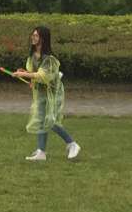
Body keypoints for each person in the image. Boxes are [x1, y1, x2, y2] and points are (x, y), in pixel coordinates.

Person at [13, 25, 81, 162]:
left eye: (36, 35)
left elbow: (42, 75)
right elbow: (35, 74)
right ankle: (41, 152)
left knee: (50, 121)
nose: (33, 37)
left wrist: (24, 75)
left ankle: (72, 144)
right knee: (41, 120)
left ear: (43, 39)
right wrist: (26, 73)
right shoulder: (32, 56)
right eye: (33, 35)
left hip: (53, 93)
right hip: (41, 92)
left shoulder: (49, 59)